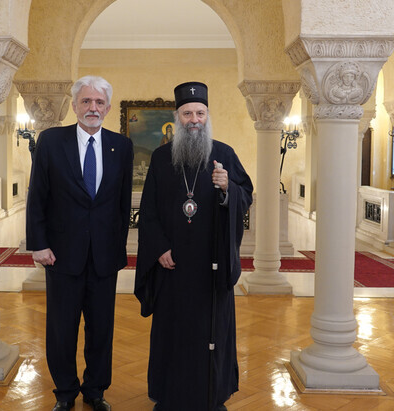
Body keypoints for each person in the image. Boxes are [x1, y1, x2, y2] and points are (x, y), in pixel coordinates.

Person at [134, 81, 253, 410]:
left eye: (200, 112)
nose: (194, 119)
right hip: (173, 268)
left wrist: (229, 188)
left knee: (211, 334)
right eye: (187, 113)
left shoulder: (224, 154)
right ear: (177, 118)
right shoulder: (160, 159)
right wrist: (158, 248)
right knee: (173, 335)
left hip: (210, 269)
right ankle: (169, 397)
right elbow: (150, 211)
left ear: (208, 116)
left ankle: (213, 396)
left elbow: (246, 197)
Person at [26, 75, 133, 411]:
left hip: (103, 258)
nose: (92, 108)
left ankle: (96, 390)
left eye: (99, 103)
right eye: (86, 101)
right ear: (74, 105)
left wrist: (118, 248)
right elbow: (37, 196)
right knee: (62, 330)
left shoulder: (122, 146)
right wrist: (38, 244)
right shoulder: (51, 142)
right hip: (61, 256)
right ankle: (65, 393)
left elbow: (122, 203)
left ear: (108, 108)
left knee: (101, 329)